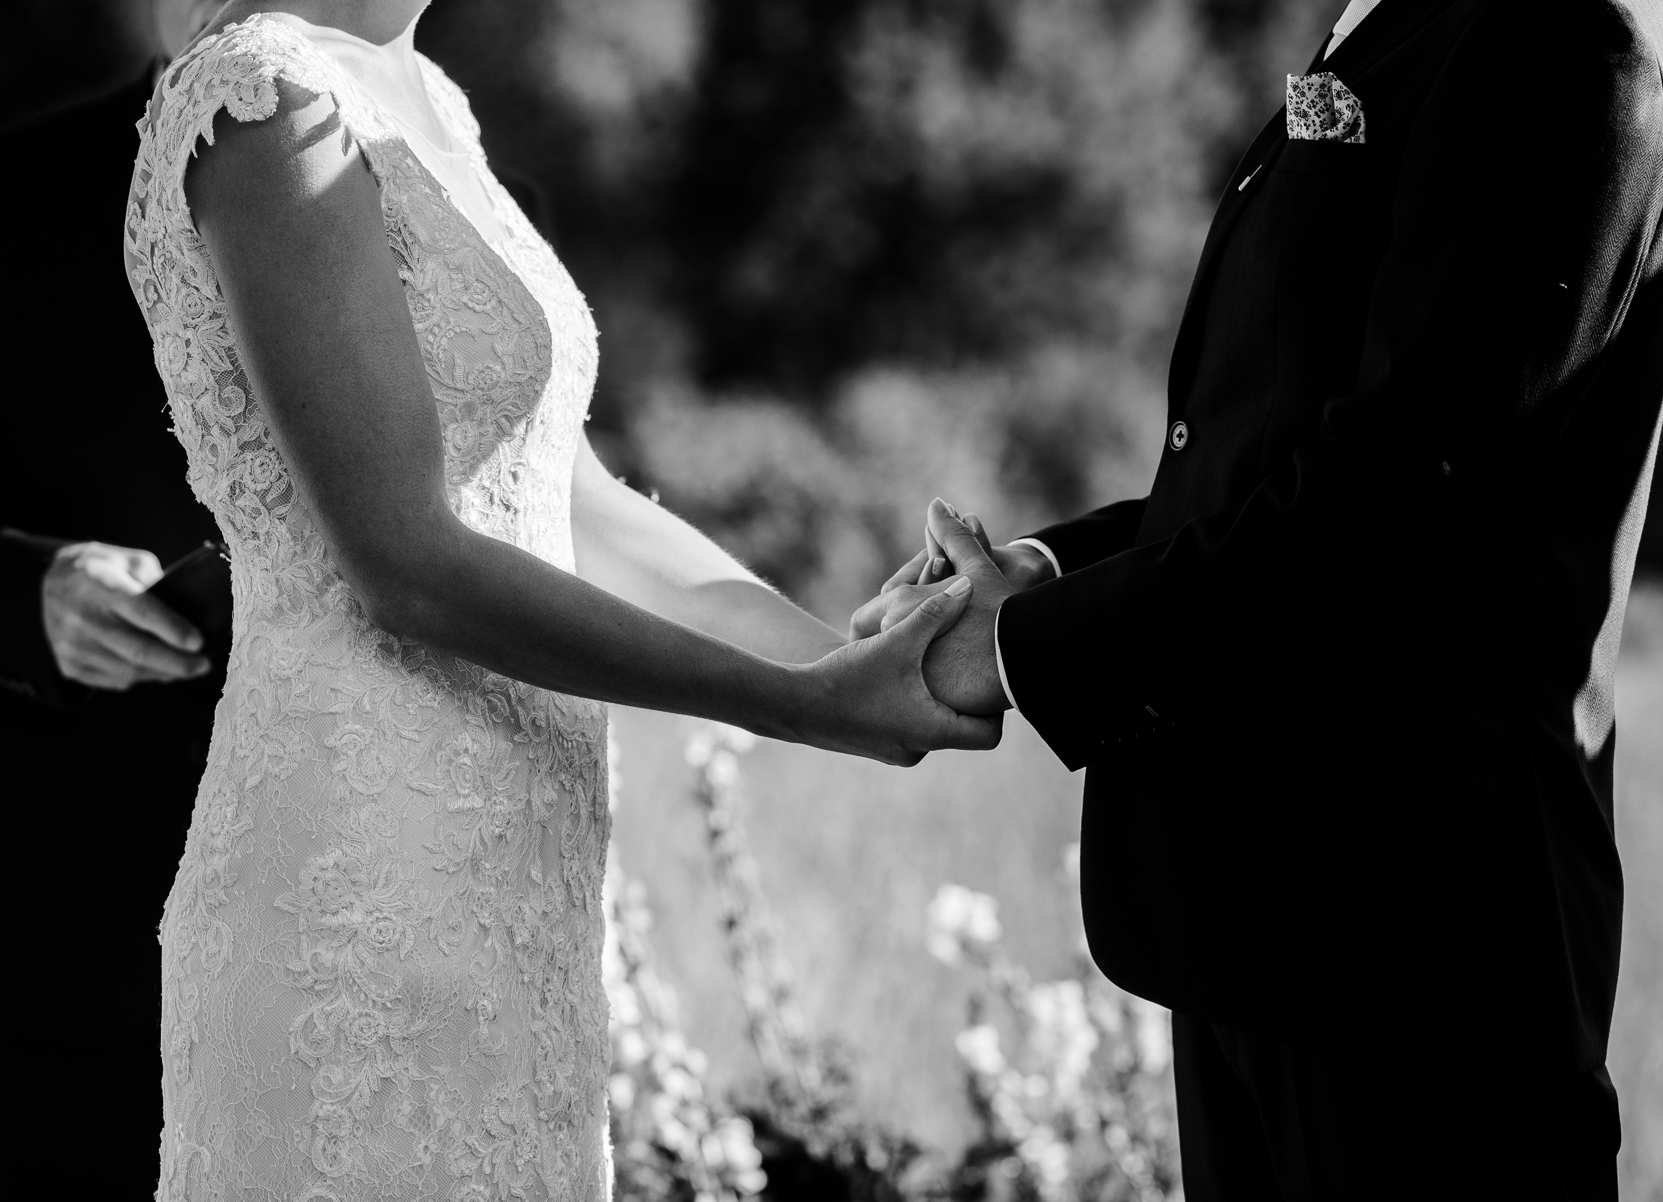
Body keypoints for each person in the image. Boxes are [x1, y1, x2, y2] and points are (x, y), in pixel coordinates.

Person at [128, 1, 996, 1198]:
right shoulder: (263, 101)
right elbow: (408, 563)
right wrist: (795, 708)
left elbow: (574, 501)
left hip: (523, 891)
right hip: (361, 887)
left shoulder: (422, 96)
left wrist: (846, 655)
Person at [857, 0, 1663, 1198]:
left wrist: (1022, 651)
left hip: (1411, 955)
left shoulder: (1559, 38)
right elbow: (1278, 450)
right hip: (1274, 934)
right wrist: (1042, 573)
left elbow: (1397, 505)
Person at [0, 0, 225, 1192]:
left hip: (404, 893)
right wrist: (26, 590)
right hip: (89, 928)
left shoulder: (468, 198)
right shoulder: (15, 195)